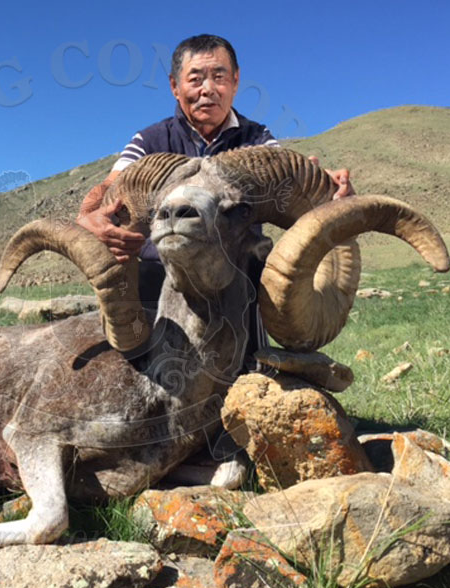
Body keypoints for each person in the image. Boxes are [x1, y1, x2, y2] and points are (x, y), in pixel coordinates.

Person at [76, 34, 353, 365]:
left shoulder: (258, 141)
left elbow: (294, 183)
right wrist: (89, 214)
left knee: (246, 378)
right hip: (162, 275)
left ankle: (250, 367)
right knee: (143, 385)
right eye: (195, 79)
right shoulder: (149, 140)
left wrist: (325, 191)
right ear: (174, 87)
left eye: (219, 77)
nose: (207, 89)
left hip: (233, 279)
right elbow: (112, 184)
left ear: (235, 82)